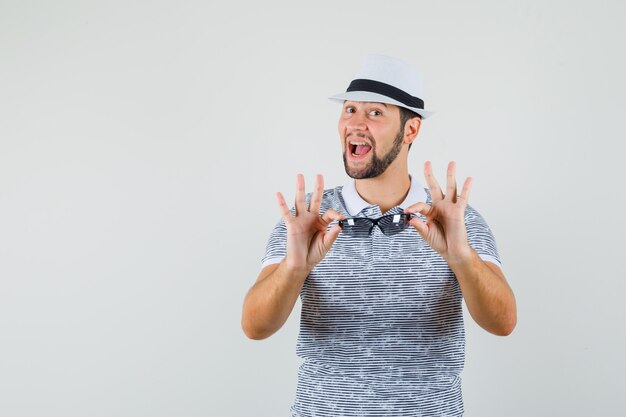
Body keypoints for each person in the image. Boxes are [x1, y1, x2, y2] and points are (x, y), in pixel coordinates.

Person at [241, 54, 517, 416]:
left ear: (411, 130)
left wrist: (460, 256)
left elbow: (503, 323)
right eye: (350, 110)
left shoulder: (454, 219)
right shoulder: (307, 219)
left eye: (375, 113)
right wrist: (294, 268)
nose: (355, 123)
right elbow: (254, 327)